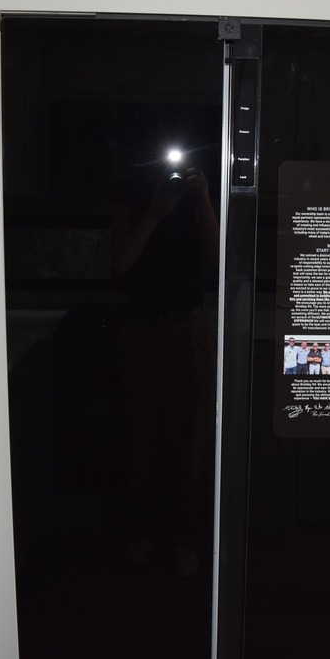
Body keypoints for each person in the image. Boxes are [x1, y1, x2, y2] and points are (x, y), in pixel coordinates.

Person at [112, 157, 219, 578]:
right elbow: (121, 261)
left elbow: (217, 259)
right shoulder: (132, 193)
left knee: (190, 439)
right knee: (140, 436)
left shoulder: (195, 196)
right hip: (141, 329)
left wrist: (204, 200)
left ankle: (184, 539)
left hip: (187, 325)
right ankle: (142, 533)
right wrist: (155, 213)